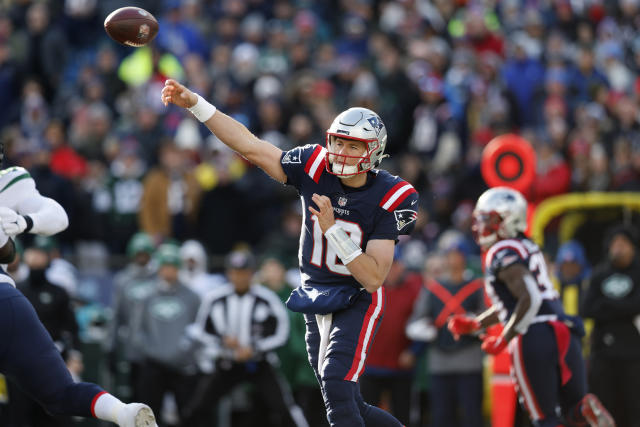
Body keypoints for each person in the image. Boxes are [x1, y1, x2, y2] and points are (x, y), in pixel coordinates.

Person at [162, 80, 419, 426]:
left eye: (353, 145)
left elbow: (373, 278)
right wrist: (196, 104)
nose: (341, 151)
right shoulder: (314, 165)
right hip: (316, 295)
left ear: (373, 151)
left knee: (336, 389)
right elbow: (250, 147)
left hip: (355, 297)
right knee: (349, 401)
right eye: (338, 141)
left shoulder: (392, 194)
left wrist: (333, 230)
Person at [0, 159, 157, 427]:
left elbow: (58, 216)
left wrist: (25, 221)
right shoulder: (9, 180)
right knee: (61, 393)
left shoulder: (8, 180)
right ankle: (122, 412)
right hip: (7, 301)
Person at [447, 187, 615, 427]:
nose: (480, 226)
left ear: (507, 220)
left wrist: (504, 338)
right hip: (563, 329)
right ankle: (584, 408)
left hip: (535, 337)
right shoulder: (527, 246)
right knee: (572, 411)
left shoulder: (502, 251)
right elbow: (518, 301)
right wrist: (477, 323)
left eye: (488, 219)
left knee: (544, 418)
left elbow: (530, 299)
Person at [182, 249, 307, 427]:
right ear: (228, 273)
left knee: (282, 405)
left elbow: (281, 334)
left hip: (258, 362)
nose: (239, 277)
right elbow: (201, 331)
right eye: (235, 272)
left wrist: (255, 348)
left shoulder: (266, 298)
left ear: (251, 274)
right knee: (199, 406)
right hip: (226, 362)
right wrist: (222, 343)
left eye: (244, 273)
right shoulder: (215, 299)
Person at [408, 237, 485, 427]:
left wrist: (474, 324)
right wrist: (425, 330)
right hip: (440, 362)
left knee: (472, 416)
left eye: (457, 255)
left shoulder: (477, 287)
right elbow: (416, 321)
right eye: (450, 256)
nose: (453, 260)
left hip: (470, 361)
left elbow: (487, 318)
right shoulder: (434, 288)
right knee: (442, 417)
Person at [134, 243, 201, 426]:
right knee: (148, 416)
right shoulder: (147, 296)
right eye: (165, 266)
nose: (169, 271)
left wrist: (184, 354)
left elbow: (198, 330)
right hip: (154, 364)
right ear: (159, 268)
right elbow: (138, 331)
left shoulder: (192, 297)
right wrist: (153, 352)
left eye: (173, 267)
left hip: (183, 365)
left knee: (188, 415)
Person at [581, 225, 640, 427]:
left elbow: (636, 304)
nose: (618, 248)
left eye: (623, 244)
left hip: (633, 355)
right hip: (603, 354)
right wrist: (623, 309)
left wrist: (607, 305)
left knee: (634, 406)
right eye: (615, 244)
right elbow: (586, 308)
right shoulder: (600, 273)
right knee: (604, 407)